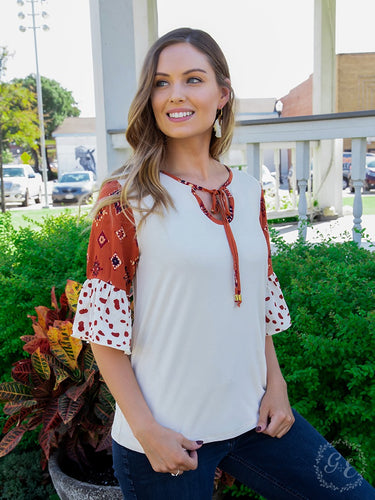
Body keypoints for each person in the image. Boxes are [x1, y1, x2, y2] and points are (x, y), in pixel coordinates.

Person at [72, 28, 375, 500]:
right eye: (160, 82)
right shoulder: (127, 197)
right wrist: (147, 430)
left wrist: (277, 387)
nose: (175, 94)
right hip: (169, 436)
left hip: (255, 416)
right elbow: (103, 332)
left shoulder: (249, 191)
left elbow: (255, 307)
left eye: (193, 79)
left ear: (223, 94)